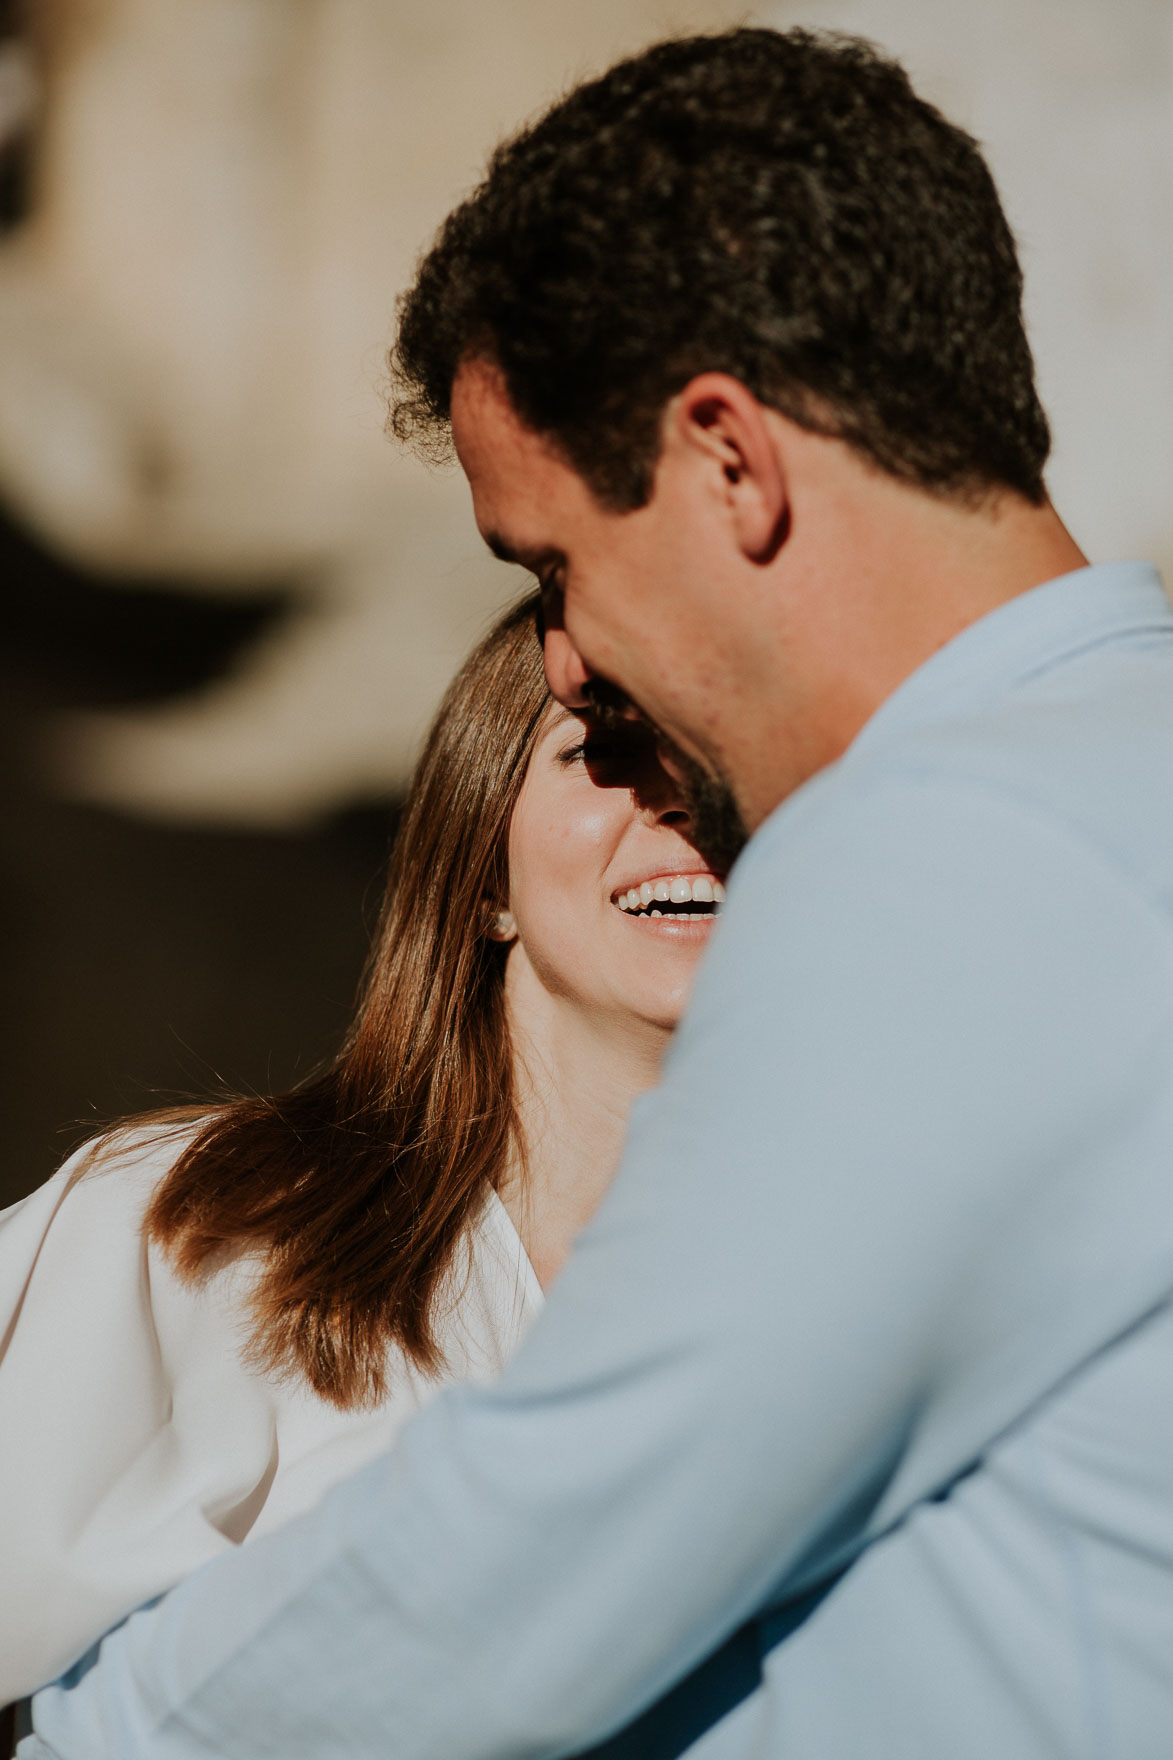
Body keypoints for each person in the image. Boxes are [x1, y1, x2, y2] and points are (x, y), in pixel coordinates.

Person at [19, 24, 1173, 1760]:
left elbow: (518, 1564)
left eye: (555, 565)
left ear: (728, 462)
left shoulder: (961, 855)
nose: (562, 667)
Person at [0, 595, 723, 1721]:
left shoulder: (882, 1313)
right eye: (602, 751)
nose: (684, 798)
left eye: (737, 762)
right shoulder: (202, 1225)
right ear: (483, 872)